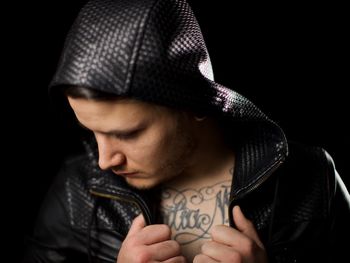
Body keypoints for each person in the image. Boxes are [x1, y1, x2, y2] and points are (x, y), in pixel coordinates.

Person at [24, 0, 350, 262]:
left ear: (194, 104)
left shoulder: (312, 179)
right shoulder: (74, 190)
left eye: (127, 134)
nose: (105, 160)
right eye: (91, 131)